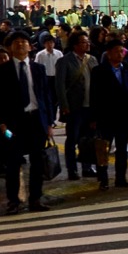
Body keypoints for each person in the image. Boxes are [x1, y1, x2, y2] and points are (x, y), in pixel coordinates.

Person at [0, 31, 56, 214]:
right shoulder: (1, 71)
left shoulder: (38, 69)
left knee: (38, 162)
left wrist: (49, 122)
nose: (20, 45)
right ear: (10, 47)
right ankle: (13, 201)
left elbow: (46, 97)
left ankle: (35, 199)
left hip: (36, 120)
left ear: (30, 46)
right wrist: (1, 123)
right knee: (13, 162)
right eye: (16, 42)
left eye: (23, 42)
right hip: (14, 123)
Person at [88, 42, 128, 188]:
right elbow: (94, 95)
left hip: (124, 115)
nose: (120, 54)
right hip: (106, 115)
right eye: (116, 51)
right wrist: (93, 117)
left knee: (122, 148)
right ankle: (103, 179)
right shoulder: (99, 71)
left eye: (121, 51)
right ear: (109, 53)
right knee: (103, 148)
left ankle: (121, 178)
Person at [55, 33, 98, 182]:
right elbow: (60, 86)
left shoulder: (92, 60)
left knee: (88, 138)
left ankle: (87, 167)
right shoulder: (64, 61)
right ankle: (72, 169)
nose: (87, 45)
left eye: (87, 42)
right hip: (74, 107)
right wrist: (64, 105)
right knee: (72, 138)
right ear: (75, 45)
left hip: (90, 106)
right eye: (83, 42)